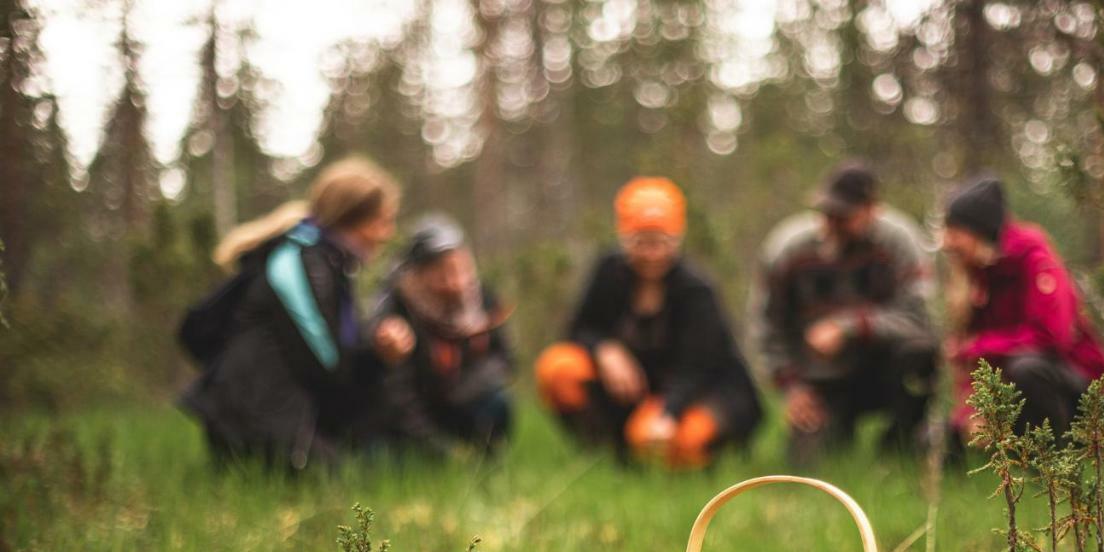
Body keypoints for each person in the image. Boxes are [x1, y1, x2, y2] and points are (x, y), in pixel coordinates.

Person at [179, 157, 414, 468]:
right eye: (382, 221)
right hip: (253, 420)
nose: (387, 233)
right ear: (353, 218)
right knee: (337, 478)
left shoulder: (329, 263)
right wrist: (376, 357)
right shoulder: (301, 263)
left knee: (378, 451)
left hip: (276, 415)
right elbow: (326, 364)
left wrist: (380, 355)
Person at [534, 177, 762, 469]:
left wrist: (669, 413)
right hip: (638, 393)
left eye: (660, 242)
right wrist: (605, 349)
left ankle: (699, 461)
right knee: (558, 367)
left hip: (700, 391)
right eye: (641, 242)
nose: (651, 254)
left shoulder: (697, 291)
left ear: (676, 239)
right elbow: (578, 329)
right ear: (624, 238)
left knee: (667, 440)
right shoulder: (608, 272)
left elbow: (697, 367)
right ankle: (605, 457)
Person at [754, 161, 940, 463]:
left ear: (872, 210)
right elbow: (766, 326)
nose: (832, 223)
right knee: (806, 465)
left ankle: (899, 445)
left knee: (920, 354)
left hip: (882, 371)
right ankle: (835, 432)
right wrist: (792, 386)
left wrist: (850, 327)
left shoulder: (900, 241)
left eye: (843, 216)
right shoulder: (788, 248)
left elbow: (921, 321)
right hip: (821, 379)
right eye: (827, 213)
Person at [941, 176, 1104, 441]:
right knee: (943, 436)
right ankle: (1011, 452)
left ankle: (1050, 463)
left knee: (1028, 368)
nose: (946, 242)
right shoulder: (980, 274)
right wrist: (968, 415)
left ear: (979, 231)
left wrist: (977, 346)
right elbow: (974, 362)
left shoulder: (1035, 259)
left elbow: (1051, 338)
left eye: (954, 231)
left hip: (1095, 401)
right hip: (1024, 392)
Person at [370, 214, 514, 454]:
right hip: (412, 412)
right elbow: (395, 391)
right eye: (441, 273)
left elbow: (505, 358)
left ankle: (485, 454)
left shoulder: (482, 299)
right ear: (418, 273)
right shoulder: (396, 307)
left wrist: (459, 389)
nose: (454, 282)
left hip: (463, 401)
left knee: (497, 403)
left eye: (460, 269)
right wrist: (437, 447)